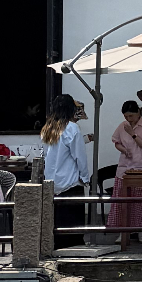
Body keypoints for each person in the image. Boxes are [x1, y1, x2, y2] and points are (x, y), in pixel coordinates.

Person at [41, 93, 91, 247]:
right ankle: (74, 245)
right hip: (70, 180)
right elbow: (79, 156)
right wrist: (85, 176)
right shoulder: (72, 128)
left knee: (58, 217)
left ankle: (58, 244)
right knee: (73, 218)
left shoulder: (48, 127)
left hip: (51, 180)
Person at [106, 101, 142, 243]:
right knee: (123, 202)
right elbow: (116, 142)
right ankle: (123, 232)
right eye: (126, 116)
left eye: (131, 116)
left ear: (138, 113)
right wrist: (124, 150)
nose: (129, 119)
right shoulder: (122, 126)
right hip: (125, 168)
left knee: (141, 202)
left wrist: (133, 134)